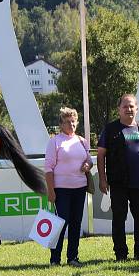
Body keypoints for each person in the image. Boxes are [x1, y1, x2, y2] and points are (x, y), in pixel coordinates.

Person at [97, 94, 139, 261]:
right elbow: (101, 155)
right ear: (119, 109)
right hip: (118, 183)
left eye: (131, 106)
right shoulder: (110, 129)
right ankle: (120, 254)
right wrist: (102, 179)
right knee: (118, 219)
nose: (128, 109)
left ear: (137, 108)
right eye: (125, 106)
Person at [44, 107, 93, 267]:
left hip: (80, 188)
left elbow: (90, 160)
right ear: (61, 124)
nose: (71, 124)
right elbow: (48, 168)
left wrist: (88, 165)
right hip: (61, 189)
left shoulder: (81, 141)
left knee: (76, 223)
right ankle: (55, 259)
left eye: (73, 121)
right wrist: (51, 191)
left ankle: (73, 257)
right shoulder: (55, 141)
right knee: (60, 224)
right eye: (67, 122)